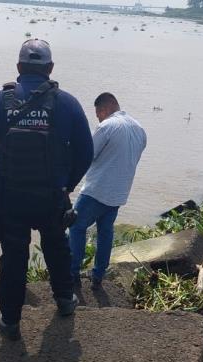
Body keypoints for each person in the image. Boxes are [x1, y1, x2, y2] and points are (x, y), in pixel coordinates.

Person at [0, 39, 94, 340]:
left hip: (11, 200)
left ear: (19, 67)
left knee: (13, 258)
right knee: (56, 247)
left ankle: (10, 323)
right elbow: (86, 152)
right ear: (50, 68)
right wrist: (67, 185)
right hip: (50, 198)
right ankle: (64, 301)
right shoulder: (68, 104)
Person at [69, 92, 147, 289]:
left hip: (97, 190)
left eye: (98, 114)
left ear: (104, 109)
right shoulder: (139, 129)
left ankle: (73, 273)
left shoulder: (107, 126)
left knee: (76, 227)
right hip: (119, 193)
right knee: (105, 232)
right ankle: (98, 276)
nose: (98, 118)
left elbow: (88, 155)